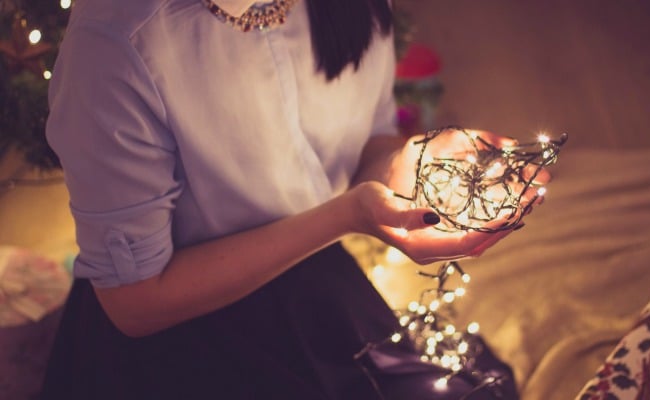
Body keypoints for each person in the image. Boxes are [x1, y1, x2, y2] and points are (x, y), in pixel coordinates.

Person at [41, 0, 545, 398]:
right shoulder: (117, 42)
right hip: (181, 339)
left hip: (317, 286)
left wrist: (417, 159)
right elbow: (136, 306)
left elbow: (363, 150)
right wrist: (346, 216)